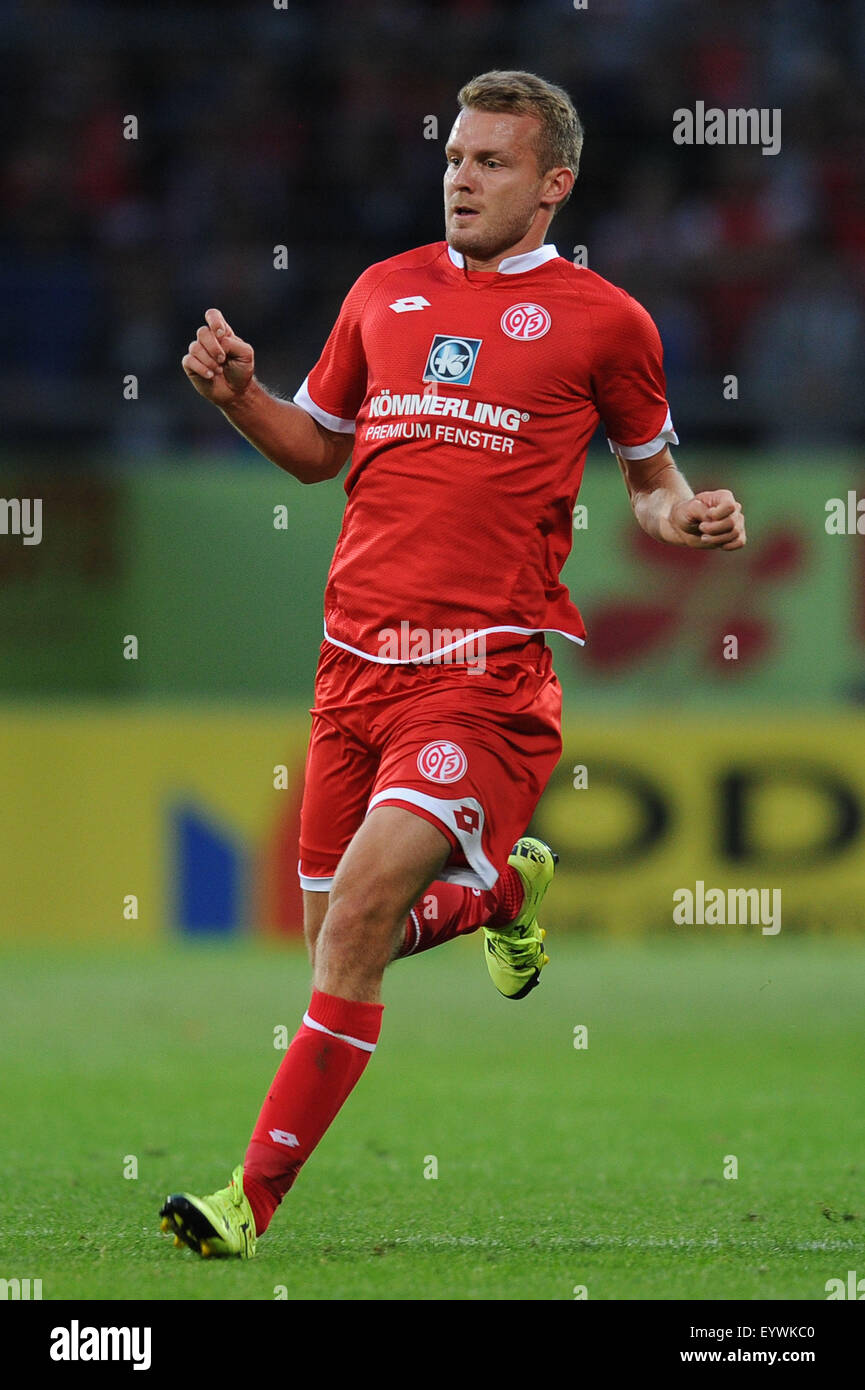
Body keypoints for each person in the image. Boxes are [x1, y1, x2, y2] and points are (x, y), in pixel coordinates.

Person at [160, 69, 746, 1260]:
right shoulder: (383, 293)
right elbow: (319, 450)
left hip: (481, 671)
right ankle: (502, 892)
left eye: (490, 163)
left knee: (362, 913)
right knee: (333, 936)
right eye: (454, 159)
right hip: (348, 667)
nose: (461, 180)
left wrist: (686, 521)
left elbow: (648, 484)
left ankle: (244, 1206)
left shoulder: (607, 322)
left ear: (553, 185)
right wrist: (240, 400)